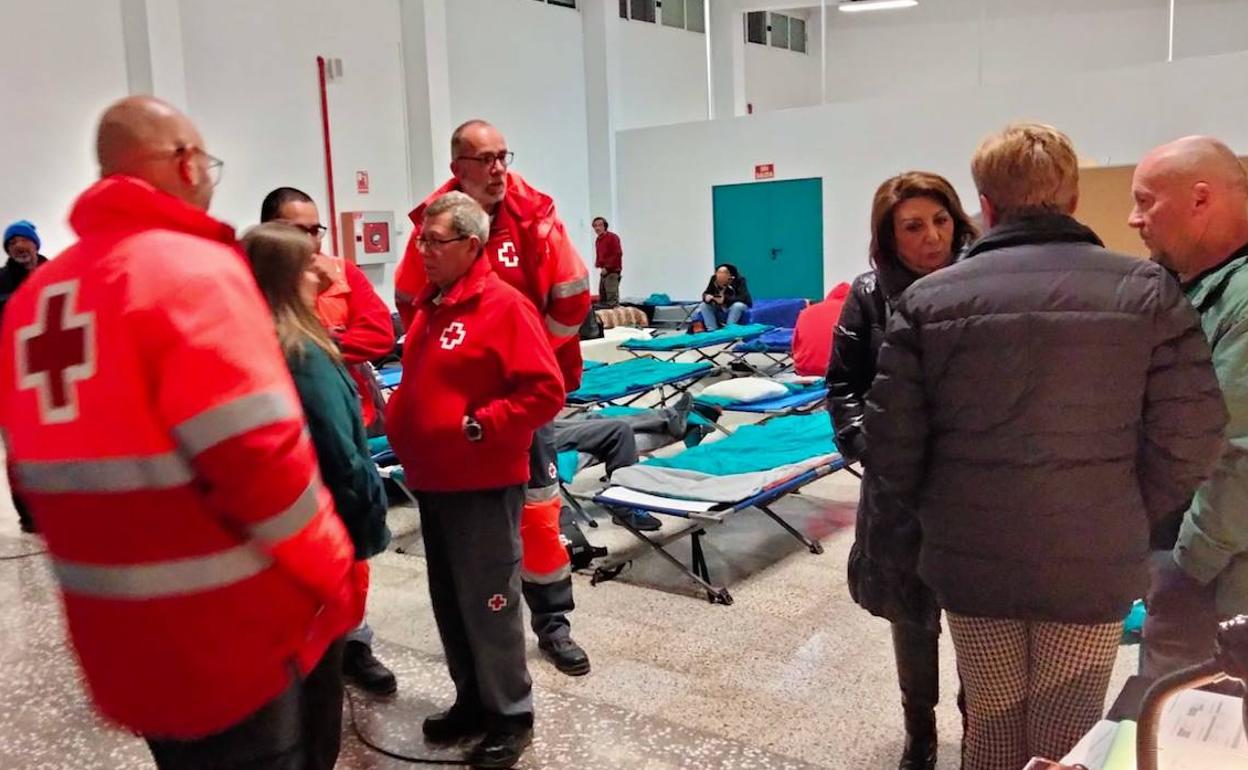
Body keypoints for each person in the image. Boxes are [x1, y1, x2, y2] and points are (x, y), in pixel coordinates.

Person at [0, 96, 362, 769]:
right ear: (188, 163)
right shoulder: (191, 273)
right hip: (224, 640)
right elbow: (263, 466)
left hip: (115, 640)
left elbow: (27, 476)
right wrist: (337, 572)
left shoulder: (31, 304)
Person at [864, 123, 1226, 769]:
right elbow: (1193, 433)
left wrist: (948, 510)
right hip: (1091, 559)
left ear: (986, 205)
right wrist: (1127, 508)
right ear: (1074, 199)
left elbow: (891, 449)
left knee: (994, 729)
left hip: (971, 560)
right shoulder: (1146, 291)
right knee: (1066, 733)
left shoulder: (927, 301)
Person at [394, 119, 592, 677]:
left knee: (538, 511)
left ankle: (554, 624)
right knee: (477, 532)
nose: (498, 168)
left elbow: (572, 297)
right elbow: (411, 303)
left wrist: (523, 357)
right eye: (484, 159)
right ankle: (482, 648)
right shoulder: (436, 226)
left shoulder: (537, 217)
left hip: (527, 398)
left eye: (503, 155)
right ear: (458, 169)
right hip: (467, 411)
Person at [387, 191, 564, 769]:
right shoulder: (433, 305)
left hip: (481, 483)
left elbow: (545, 391)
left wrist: (475, 427)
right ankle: (472, 700)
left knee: (489, 603)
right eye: (421, 241)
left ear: (471, 245)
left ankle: (510, 712)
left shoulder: (503, 306)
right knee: (451, 602)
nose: (424, 251)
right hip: (434, 482)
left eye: (435, 242)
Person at [827, 171, 977, 770]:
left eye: (941, 221)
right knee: (910, 611)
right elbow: (843, 383)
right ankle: (920, 733)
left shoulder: (979, 284)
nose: (932, 237)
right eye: (913, 226)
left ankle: (978, 726)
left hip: (971, 487)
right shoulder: (869, 294)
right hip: (897, 489)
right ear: (889, 236)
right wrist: (866, 448)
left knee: (973, 614)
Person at [241, 221, 398, 698]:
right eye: (311, 266)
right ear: (286, 276)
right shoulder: (304, 355)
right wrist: (371, 522)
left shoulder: (251, 343)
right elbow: (342, 456)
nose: (326, 277)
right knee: (317, 690)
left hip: (279, 533)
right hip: (320, 529)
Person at [1128, 136, 1248, 688]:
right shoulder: (1201, 290)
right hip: (1200, 557)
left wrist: (1187, 564)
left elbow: (1237, 454)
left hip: (1218, 578)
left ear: (1200, 199)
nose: (1134, 219)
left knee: (1190, 729)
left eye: (1146, 200)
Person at [261, 186, 395, 436]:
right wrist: (332, 339)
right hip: (290, 420)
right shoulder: (255, 282)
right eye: (300, 231)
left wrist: (321, 343)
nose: (311, 241)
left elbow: (380, 336)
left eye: (316, 231)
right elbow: (269, 352)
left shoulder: (342, 273)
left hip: (350, 414)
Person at [792, 282, 850, 377]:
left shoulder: (806, 312)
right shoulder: (853, 312)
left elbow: (795, 344)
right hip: (841, 371)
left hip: (806, 370)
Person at [697, 263, 752, 331]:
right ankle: (712, 329)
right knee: (703, 305)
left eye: (724, 273)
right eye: (718, 272)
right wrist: (706, 297)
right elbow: (707, 292)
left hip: (734, 304)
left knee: (737, 305)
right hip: (720, 306)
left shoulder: (739, 280)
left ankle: (729, 329)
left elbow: (743, 297)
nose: (720, 275)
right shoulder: (714, 279)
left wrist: (725, 299)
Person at [593, 216, 622, 307]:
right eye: (595, 226)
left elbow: (617, 254)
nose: (597, 228)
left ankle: (615, 318)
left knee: (611, 298)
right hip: (604, 271)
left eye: (600, 225)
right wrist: (598, 264)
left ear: (605, 226)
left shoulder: (612, 237)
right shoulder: (598, 240)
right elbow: (599, 254)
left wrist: (607, 267)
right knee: (602, 296)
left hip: (612, 271)